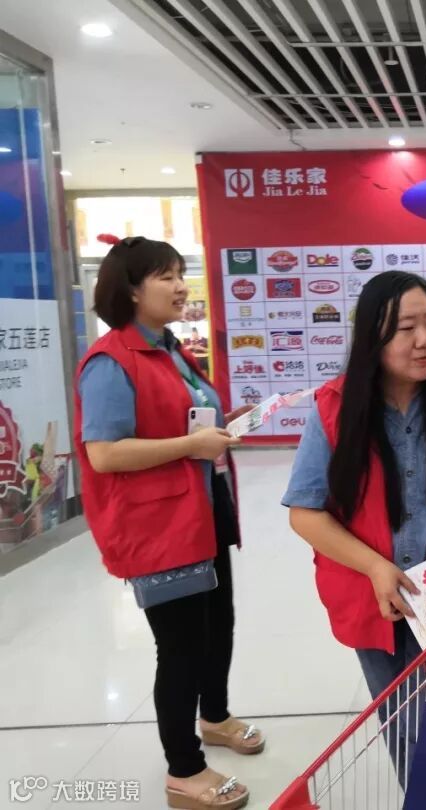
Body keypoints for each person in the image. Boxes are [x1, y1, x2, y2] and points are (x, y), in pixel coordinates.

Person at [283, 271, 426, 786]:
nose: (425, 340)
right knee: (404, 727)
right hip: (374, 598)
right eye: (406, 328)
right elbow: (304, 511)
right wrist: (375, 566)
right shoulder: (335, 409)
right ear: (374, 338)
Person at [74, 237, 261, 810]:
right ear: (132, 290)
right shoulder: (111, 362)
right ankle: (184, 769)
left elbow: (184, 421)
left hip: (204, 510)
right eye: (167, 276)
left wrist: (222, 427)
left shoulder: (172, 349)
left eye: (181, 274)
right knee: (180, 647)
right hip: (160, 528)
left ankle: (215, 716)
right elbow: (104, 453)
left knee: (218, 625)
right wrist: (189, 445)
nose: (181, 287)